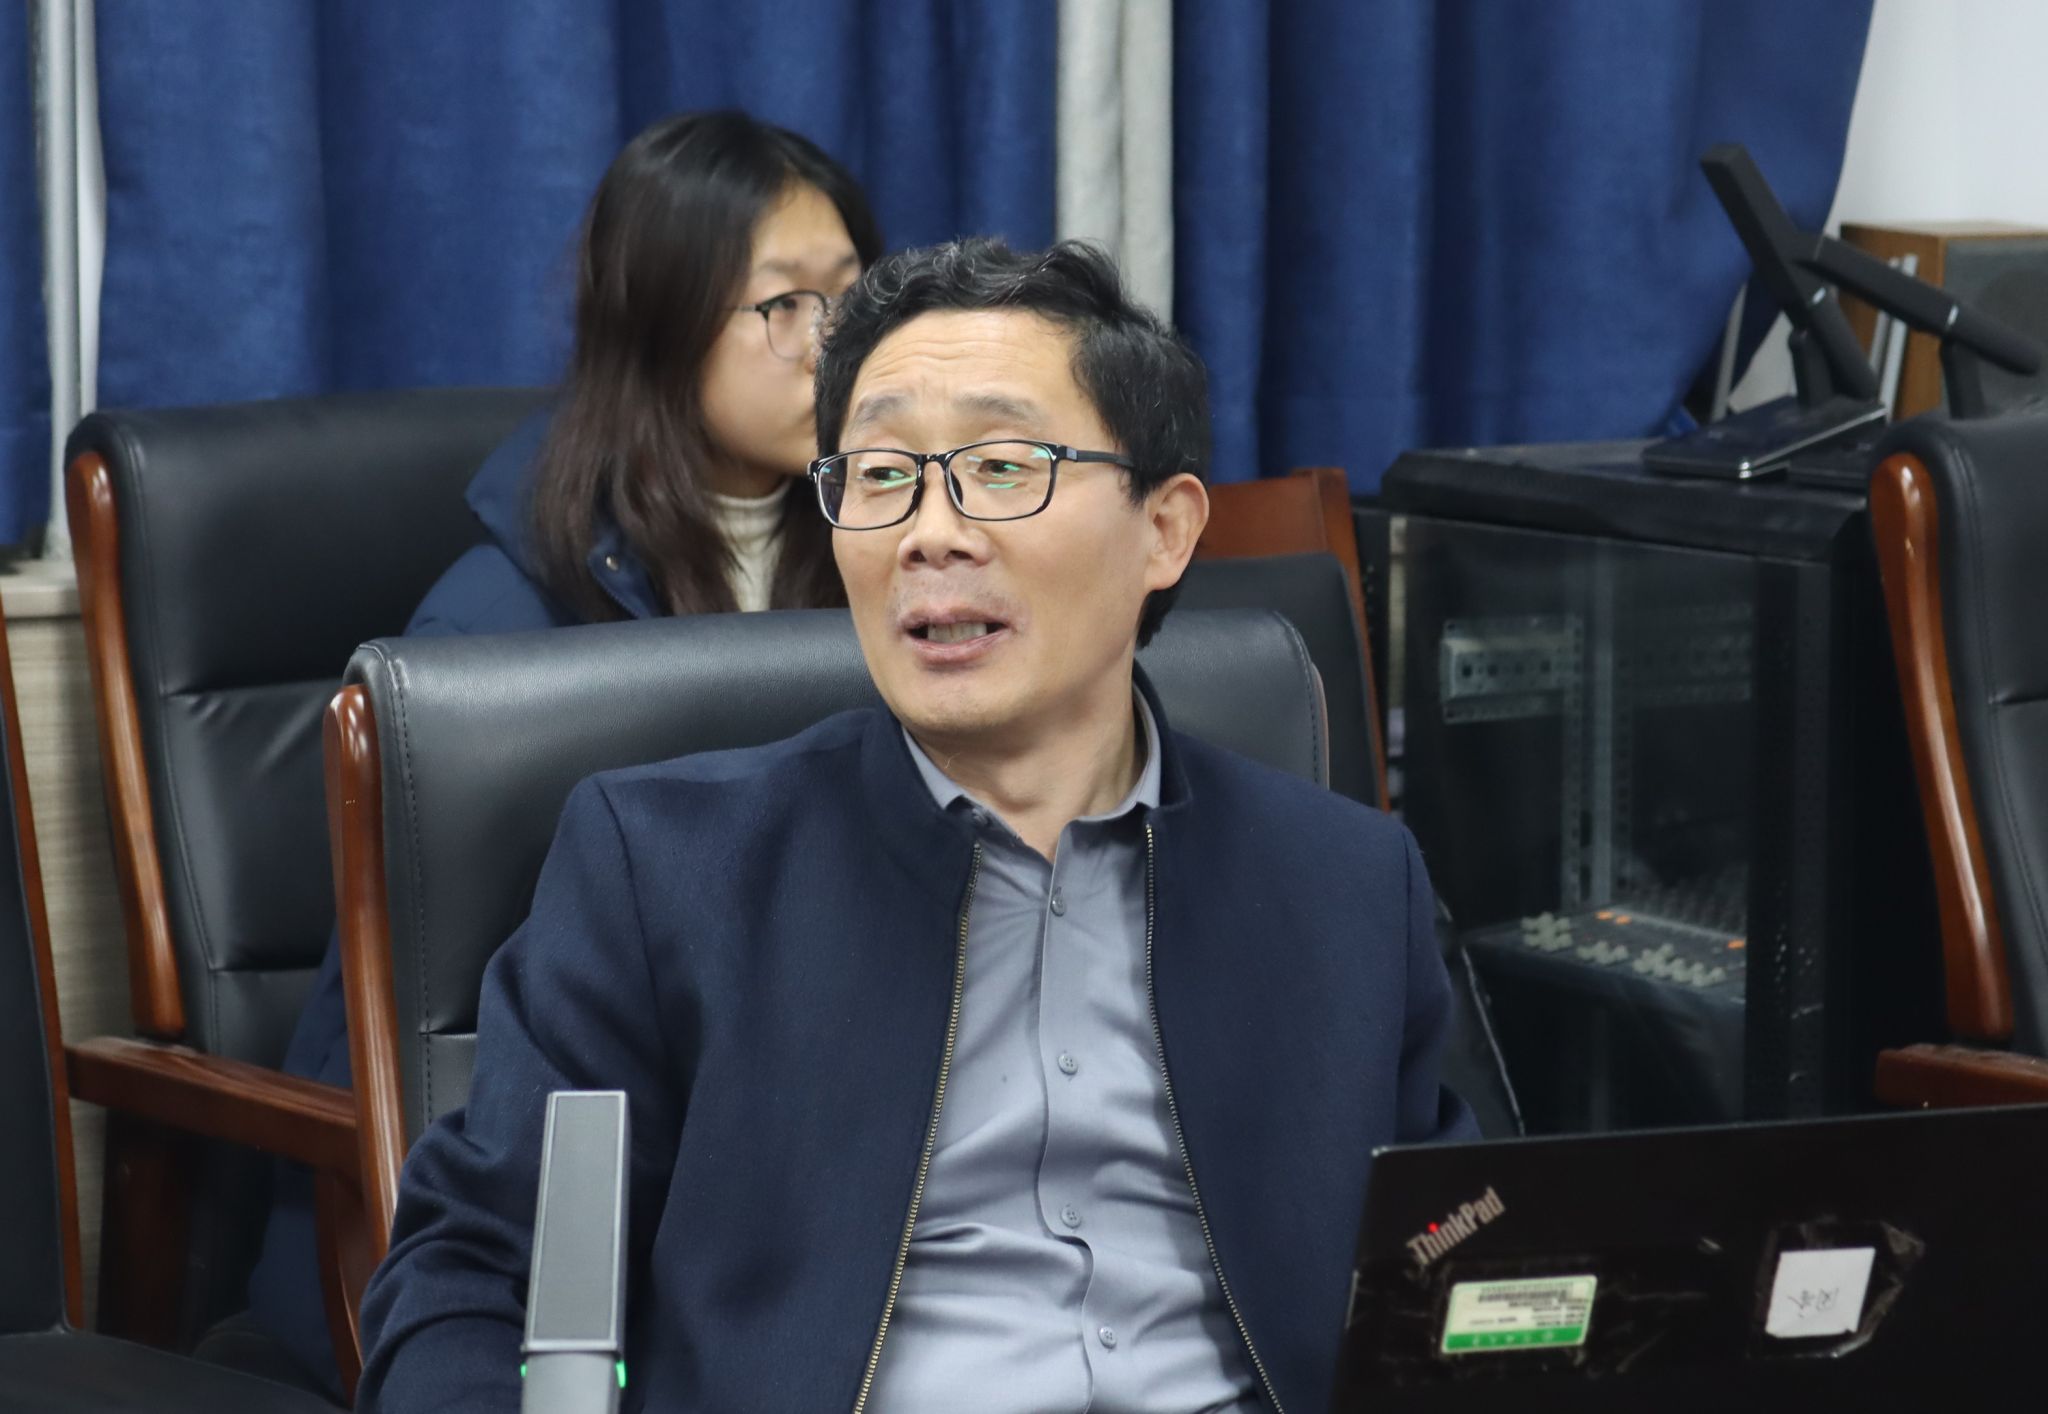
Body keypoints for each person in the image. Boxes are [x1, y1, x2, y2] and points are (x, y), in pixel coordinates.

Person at [356, 238, 1473, 1412]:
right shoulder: (666, 871)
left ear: (1165, 529)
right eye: (881, 475)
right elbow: (472, 1275)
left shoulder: (1344, 884)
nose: (929, 533)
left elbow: (1462, 1261)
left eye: (1000, 467)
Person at [242, 109, 881, 1398]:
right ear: (660, 321)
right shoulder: (495, 626)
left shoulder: (885, 558)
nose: (833, 347)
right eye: (782, 307)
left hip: (807, 1145)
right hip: (559, 1195)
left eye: (852, 297)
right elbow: (444, 1027)